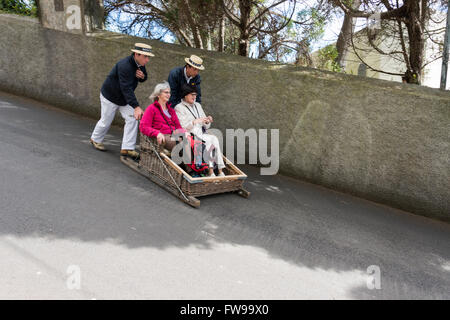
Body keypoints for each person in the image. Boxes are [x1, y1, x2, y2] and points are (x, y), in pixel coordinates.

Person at [90, 42, 154, 159]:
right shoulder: (124, 65)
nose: (147, 60)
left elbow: (143, 76)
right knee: (106, 120)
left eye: (148, 57)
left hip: (124, 99)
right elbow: (126, 88)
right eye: (145, 56)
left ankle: (127, 148)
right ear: (136, 54)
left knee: (132, 119)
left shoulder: (139, 63)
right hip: (110, 96)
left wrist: (143, 77)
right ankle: (95, 139)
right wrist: (136, 107)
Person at [175, 84, 226, 177]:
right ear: (185, 95)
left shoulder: (197, 105)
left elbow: (206, 126)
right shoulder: (179, 107)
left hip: (201, 133)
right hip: (190, 135)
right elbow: (182, 127)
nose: (195, 97)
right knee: (210, 141)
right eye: (192, 95)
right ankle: (211, 172)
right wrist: (194, 122)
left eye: (195, 95)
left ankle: (220, 170)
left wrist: (207, 121)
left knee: (214, 139)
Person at [139, 82, 188, 151]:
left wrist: (185, 132)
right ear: (158, 95)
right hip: (164, 136)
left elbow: (178, 127)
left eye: (169, 93)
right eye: (166, 92)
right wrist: (157, 133)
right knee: (185, 145)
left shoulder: (171, 110)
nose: (169, 95)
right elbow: (143, 127)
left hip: (175, 136)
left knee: (195, 142)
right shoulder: (151, 109)